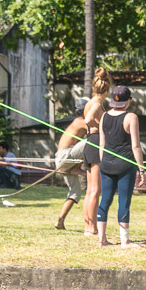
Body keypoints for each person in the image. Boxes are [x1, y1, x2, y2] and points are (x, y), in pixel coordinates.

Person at [97, 85, 145, 247]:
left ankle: (102, 239)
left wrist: (104, 164)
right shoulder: (131, 117)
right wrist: (141, 169)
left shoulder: (104, 116)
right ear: (128, 101)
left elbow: (102, 145)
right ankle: (125, 240)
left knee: (105, 200)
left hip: (106, 165)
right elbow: (136, 146)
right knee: (124, 201)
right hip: (125, 165)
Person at [83, 68, 112, 236]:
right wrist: (100, 126)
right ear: (106, 89)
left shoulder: (89, 102)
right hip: (95, 143)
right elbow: (88, 120)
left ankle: (88, 226)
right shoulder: (97, 103)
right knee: (95, 190)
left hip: (89, 143)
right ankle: (92, 227)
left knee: (90, 190)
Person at [54, 97, 91, 230]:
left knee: (75, 193)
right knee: (92, 141)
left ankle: (60, 221)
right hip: (64, 156)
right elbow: (96, 131)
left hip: (65, 159)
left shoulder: (80, 121)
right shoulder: (81, 122)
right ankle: (75, 168)